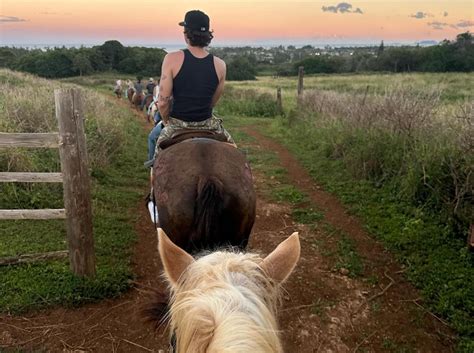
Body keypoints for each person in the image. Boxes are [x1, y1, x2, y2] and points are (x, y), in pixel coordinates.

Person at [154, 9, 234, 162]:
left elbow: (163, 102)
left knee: (154, 142)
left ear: (186, 33)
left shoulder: (171, 59)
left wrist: (166, 122)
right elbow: (212, 101)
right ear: (207, 36)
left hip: (178, 124)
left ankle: (154, 184)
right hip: (208, 125)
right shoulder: (220, 65)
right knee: (235, 154)